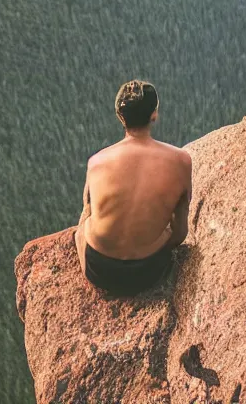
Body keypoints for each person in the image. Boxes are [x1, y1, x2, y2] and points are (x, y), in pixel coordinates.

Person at [74, 80, 192, 296]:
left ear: (120, 116)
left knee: (83, 228)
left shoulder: (97, 162)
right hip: (150, 272)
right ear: (154, 114)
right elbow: (180, 232)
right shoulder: (181, 161)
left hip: (100, 270)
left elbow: (88, 211)